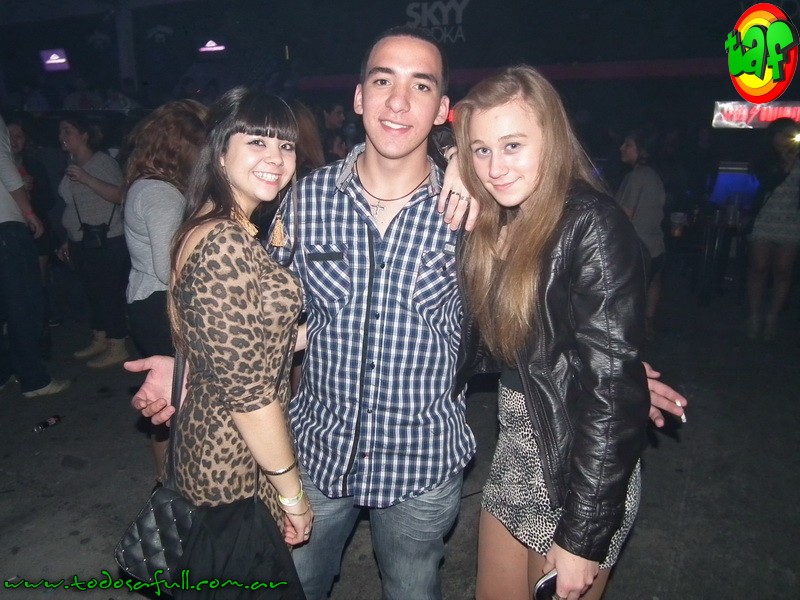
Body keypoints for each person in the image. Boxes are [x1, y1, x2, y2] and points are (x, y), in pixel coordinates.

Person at [128, 28, 687, 600]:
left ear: (442, 110)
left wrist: (607, 375)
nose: (398, 102)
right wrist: (191, 365)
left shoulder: (479, 212)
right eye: (382, 82)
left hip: (423, 466)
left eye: (420, 86)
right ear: (358, 97)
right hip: (316, 456)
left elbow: (532, 311)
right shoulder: (303, 199)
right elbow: (251, 318)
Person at [452, 65, 649, 600]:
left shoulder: (591, 223)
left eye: (513, 145)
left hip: (576, 467)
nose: (495, 167)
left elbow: (611, 393)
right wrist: (453, 161)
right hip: (517, 453)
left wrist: (583, 536)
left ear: (552, 139)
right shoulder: (503, 218)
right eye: (481, 150)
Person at [165, 87, 311, 581]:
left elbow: (246, 342)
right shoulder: (223, 243)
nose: (276, 158)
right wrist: (292, 495)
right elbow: (249, 393)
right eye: (257, 142)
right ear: (221, 153)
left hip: (230, 462)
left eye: (286, 145)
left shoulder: (219, 227)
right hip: (230, 476)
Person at [123, 99, 209, 484]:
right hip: (161, 304)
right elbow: (168, 267)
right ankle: (175, 484)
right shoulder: (160, 193)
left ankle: (167, 481)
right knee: (176, 404)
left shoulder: (148, 185)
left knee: (164, 402)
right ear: (183, 148)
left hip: (148, 301)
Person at [0, 113, 70, 398]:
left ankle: (5, 372)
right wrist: (28, 212)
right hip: (6, 227)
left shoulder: (33, 163)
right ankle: (33, 379)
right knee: (23, 304)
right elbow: (4, 167)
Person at [56, 115, 129, 368]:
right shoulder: (71, 163)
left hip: (107, 239)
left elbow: (120, 195)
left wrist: (86, 178)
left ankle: (118, 344)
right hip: (81, 240)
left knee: (108, 293)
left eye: (67, 130)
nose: (62, 137)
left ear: (85, 135)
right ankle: (101, 337)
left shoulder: (101, 161)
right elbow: (73, 206)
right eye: (60, 132)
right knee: (92, 293)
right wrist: (67, 240)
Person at [746, 117, 800, 341]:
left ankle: (772, 318)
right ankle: (754, 316)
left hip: (791, 220)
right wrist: (785, 167)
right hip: (765, 218)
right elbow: (765, 183)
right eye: (784, 133)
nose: (788, 138)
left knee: (783, 272)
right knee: (759, 267)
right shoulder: (765, 158)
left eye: (792, 134)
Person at [615, 129, 666, 340]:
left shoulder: (636, 177)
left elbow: (626, 216)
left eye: (628, 145)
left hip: (637, 250)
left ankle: (629, 335)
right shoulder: (655, 176)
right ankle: (647, 324)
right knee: (653, 284)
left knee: (630, 296)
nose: (622, 148)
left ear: (642, 151)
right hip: (656, 248)